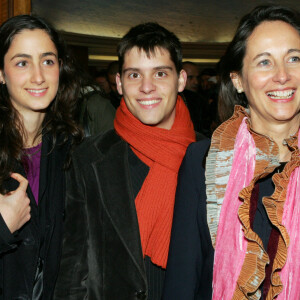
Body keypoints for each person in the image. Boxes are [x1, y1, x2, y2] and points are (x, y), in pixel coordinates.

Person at [163, 5, 300, 300]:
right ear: (238, 80)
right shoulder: (203, 160)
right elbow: (183, 276)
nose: (282, 75)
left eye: (294, 58)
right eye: (264, 62)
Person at [54, 22, 197, 300]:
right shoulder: (87, 159)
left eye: (160, 73)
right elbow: (72, 270)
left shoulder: (213, 158)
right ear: (119, 83)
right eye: (134, 75)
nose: (146, 87)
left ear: (180, 80)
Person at [0, 15, 82, 299]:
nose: (38, 76)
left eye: (48, 61)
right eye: (22, 63)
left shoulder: (70, 151)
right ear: (1, 72)